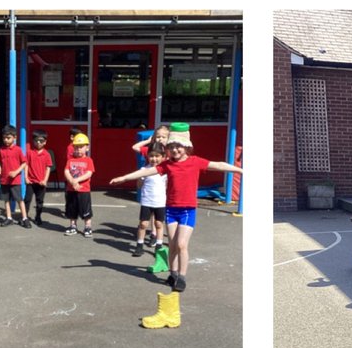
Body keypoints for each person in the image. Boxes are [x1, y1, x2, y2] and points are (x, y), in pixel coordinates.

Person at [108, 125, 243, 293]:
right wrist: (123, 177)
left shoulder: (196, 162)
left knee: (181, 244)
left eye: (178, 146)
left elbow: (219, 165)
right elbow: (148, 171)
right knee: (172, 244)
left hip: (187, 211)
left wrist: (240, 170)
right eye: (171, 147)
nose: (175, 150)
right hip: (171, 210)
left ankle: (182, 276)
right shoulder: (167, 165)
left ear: (187, 147)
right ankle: (172, 273)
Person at [132, 139, 167, 257]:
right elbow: (139, 185)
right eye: (151, 156)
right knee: (143, 224)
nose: (154, 159)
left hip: (160, 202)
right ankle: (139, 245)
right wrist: (140, 179)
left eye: (157, 156)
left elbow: (167, 186)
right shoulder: (144, 170)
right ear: (147, 156)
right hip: (147, 201)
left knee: (159, 224)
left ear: (163, 157)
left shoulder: (165, 171)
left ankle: (159, 246)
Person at [0, 124, 28, 226]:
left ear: (15, 137)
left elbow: (24, 163)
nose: (6, 140)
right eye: (4, 138)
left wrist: (16, 172)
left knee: (19, 199)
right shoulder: (1, 150)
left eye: (8, 138)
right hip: (4, 180)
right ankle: (9, 217)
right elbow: (1, 163)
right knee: (6, 200)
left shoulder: (18, 150)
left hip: (15, 180)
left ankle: (25, 218)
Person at [64, 134, 95, 237]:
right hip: (71, 190)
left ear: (87, 147)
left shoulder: (88, 160)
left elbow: (89, 173)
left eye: (81, 147)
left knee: (85, 209)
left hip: (84, 190)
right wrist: (72, 181)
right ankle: (73, 226)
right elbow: (66, 171)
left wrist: (76, 180)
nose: (78, 149)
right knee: (72, 208)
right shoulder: (70, 160)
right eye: (76, 147)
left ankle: (87, 226)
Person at [24, 130, 52, 227]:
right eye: (36, 140)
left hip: (41, 182)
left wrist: (45, 180)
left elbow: (48, 168)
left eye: (41, 141)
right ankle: (25, 216)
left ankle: (38, 216)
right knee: (27, 199)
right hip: (31, 182)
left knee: (39, 201)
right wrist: (26, 177)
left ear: (45, 142)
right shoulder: (30, 152)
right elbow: (26, 165)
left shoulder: (47, 154)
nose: (38, 143)